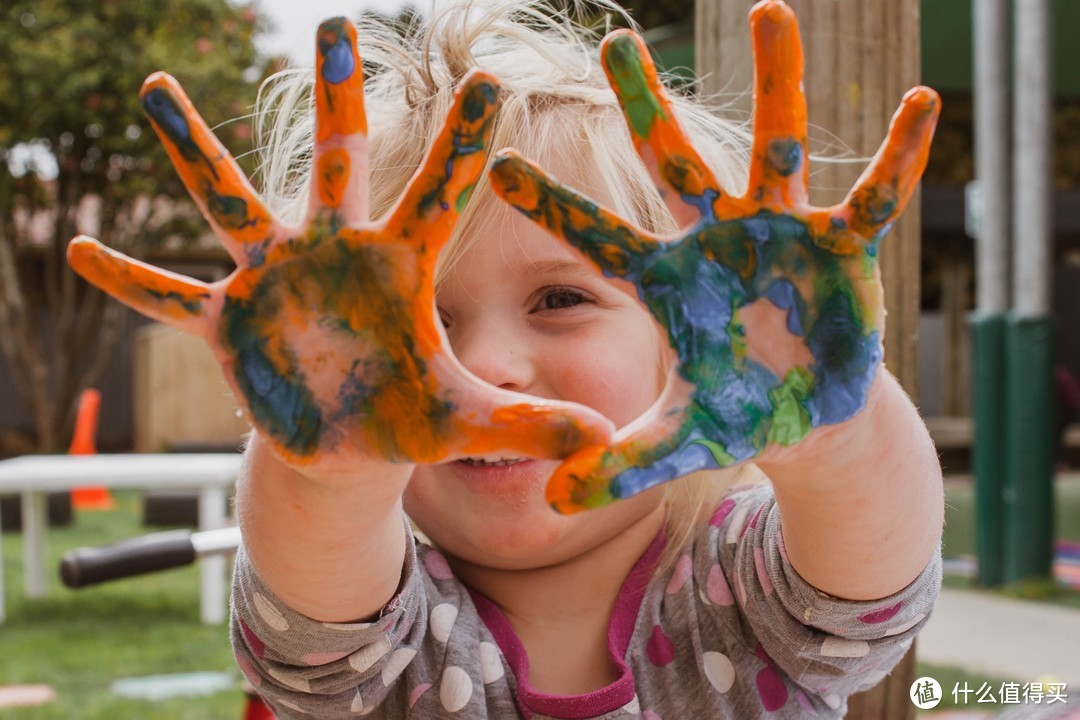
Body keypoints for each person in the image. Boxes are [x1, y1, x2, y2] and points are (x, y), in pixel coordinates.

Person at [67, 0, 945, 717]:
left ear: (689, 337)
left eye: (561, 300)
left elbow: (872, 580)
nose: (486, 363)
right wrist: (331, 473)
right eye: (416, 328)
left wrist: (833, 427)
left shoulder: (745, 583)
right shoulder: (381, 627)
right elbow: (315, 588)